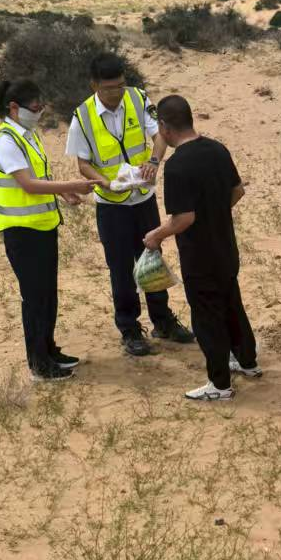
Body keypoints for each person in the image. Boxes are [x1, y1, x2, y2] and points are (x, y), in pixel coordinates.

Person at [66, 52, 194, 358]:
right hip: (111, 205)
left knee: (151, 259)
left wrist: (154, 161)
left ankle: (163, 321)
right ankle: (129, 328)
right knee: (121, 268)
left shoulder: (138, 98)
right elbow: (83, 164)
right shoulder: (82, 116)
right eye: (109, 88)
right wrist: (104, 182)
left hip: (143, 199)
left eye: (120, 85)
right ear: (95, 85)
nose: (116, 93)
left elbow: (159, 136)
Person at [143, 94, 260, 402]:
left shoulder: (177, 166)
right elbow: (237, 191)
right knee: (232, 304)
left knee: (207, 318)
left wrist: (156, 235)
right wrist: (216, 213)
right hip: (226, 247)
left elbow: (184, 218)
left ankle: (219, 384)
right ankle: (247, 362)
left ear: (164, 127)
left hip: (200, 255)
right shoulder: (218, 149)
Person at [0, 77, 95, 381]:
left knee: (47, 295)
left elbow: (40, 177)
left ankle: (49, 350)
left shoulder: (28, 136)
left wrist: (63, 192)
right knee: (34, 298)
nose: (39, 112)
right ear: (14, 107)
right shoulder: (6, 140)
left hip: (44, 226)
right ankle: (39, 363)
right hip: (22, 231)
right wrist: (71, 184)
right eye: (34, 107)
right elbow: (28, 184)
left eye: (40, 106)